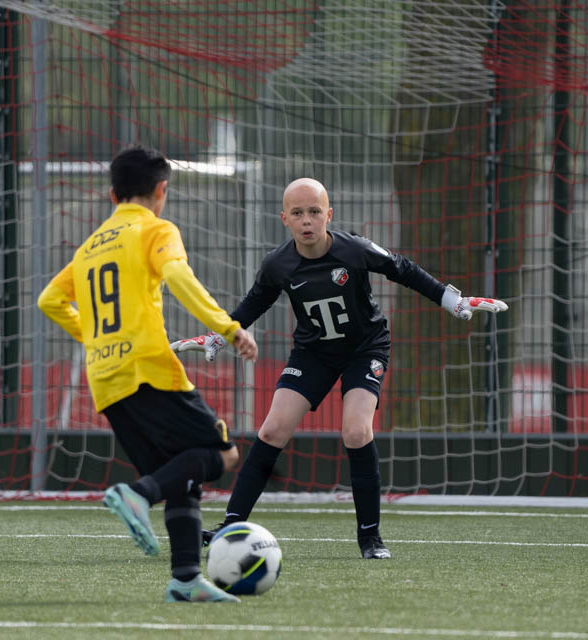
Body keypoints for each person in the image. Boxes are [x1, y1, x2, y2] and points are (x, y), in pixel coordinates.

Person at [171, 177, 508, 560]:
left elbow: (402, 269)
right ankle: (229, 527)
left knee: (356, 430)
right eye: (298, 213)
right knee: (272, 429)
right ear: (284, 219)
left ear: (329, 214)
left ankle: (370, 538)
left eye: (315, 211)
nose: (307, 220)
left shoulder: (354, 250)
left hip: (365, 349)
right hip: (313, 353)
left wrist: (452, 300)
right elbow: (254, 304)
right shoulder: (278, 264)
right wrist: (217, 337)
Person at [37, 146, 258, 603]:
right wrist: (228, 327)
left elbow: (49, 301)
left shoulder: (89, 247)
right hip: (148, 369)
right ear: (161, 190)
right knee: (223, 453)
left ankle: (185, 579)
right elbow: (178, 276)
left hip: (106, 377)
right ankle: (139, 494)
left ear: (112, 194)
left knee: (182, 473)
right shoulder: (156, 229)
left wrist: (95, 338)